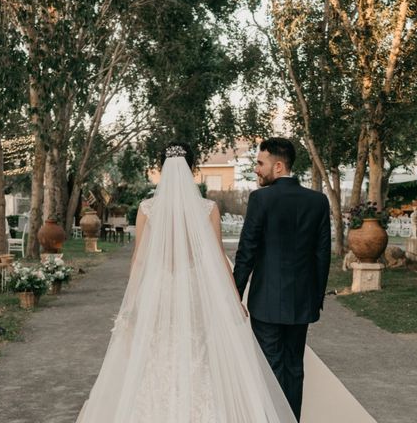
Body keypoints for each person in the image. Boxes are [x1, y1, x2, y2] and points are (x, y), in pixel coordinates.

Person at [76, 143, 296, 422]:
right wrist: (233, 299)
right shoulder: (207, 209)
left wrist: (131, 302)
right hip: (193, 291)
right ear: (192, 170)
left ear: (162, 169)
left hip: (158, 290)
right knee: (196, 350)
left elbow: (139, 261)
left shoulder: (147, 209)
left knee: (155, 351)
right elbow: (217, 258)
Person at [233, 137, 331, 421]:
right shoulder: (318, 201)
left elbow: (247, 252)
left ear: (278, 166)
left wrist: (234, 294)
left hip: (266, 302)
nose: (256, 170)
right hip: (302, 303)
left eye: (260, 164)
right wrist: (316, 298)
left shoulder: (260, 199)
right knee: (294, 368)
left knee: (270, 368)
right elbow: (321, 255)